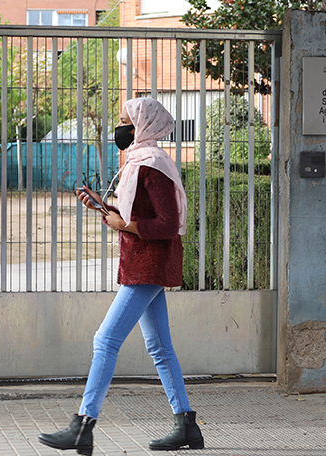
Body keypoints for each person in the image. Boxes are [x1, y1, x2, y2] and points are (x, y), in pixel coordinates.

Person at [37, 97, 204, 455]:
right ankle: (187, 426)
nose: (121, 127)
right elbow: (130, 217)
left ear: (142, 125)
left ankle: (83, 426)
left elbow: (168, 224)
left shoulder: (153, 166)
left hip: (148, 265)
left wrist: (125, 223)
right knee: (160, 347)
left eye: (126, 121)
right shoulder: (138, 162)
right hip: (142, 261)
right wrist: (104, 206)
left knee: (105, 340)